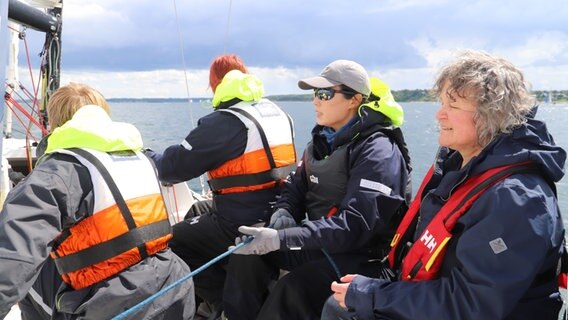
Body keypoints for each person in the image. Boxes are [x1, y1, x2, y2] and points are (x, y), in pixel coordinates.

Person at [322, 50, 567, 320]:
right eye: (441, 103)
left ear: (492, 115)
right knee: (325, 297)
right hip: (433, 296)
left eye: (453, 106)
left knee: (339, 309)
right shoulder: (461, 167)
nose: (440, 115)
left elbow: (472, 305)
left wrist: (372, 294)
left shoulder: (515, 199)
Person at [224, 60, 412, 320]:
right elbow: (295, 185)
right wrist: (285, 210)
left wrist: (282, 238)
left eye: (324, 94)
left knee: (293, 290)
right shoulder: (322, 142)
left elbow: (355, 227)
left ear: (354, 100)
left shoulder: (378, 152)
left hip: (362, 258)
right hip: (322, 244)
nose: (316, 101)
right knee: (246, 256)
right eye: (315, 94)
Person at [0, 83, 195, 319]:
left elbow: (12, 260)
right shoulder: (141, 159)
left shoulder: (57, 173)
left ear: (56, 124)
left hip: (111, 304)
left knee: (32, 277)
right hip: (173, 287)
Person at [146, 54, 297, 317]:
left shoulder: (226, 122)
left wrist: (146, 155)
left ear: (215, 84)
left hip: (239, 221)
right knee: (197, 210)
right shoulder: (277, 113)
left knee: (172, 240)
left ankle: (220, 303)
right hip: (279, 214)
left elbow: (172, 168)